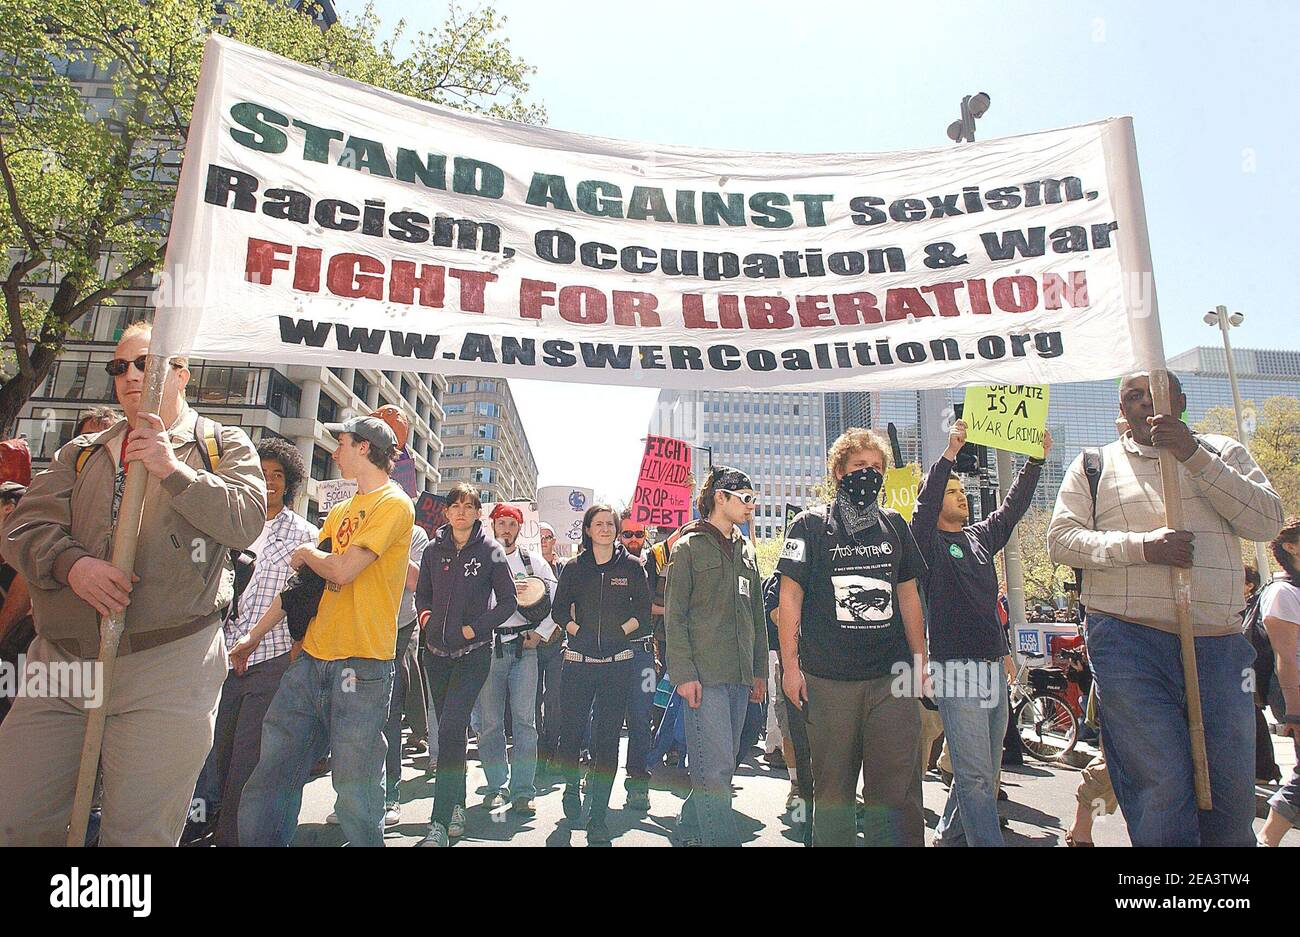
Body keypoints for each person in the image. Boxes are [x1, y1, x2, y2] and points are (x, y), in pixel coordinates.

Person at [0, 321, 267, 846]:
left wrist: (173, 469)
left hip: (167, 664)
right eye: (118, 367)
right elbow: (22, 529)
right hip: (62, 664)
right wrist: (72, 565)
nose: (129, 376)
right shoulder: (80, 451)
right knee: (18, 817)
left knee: (138, 835)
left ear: (181, 372)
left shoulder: (222, 444)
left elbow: (246, 520)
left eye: (144, 362)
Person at [1047, 371, 1284, 847]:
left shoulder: (1223, 452)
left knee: (1229, 784)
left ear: (1179, 400)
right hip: (1130, 642)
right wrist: (1141, 548)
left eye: (1152, 393)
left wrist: (1193, 456)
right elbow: (1061, 539)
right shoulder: (1095, 464)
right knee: (1158, 779)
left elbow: (1266, 521)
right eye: (1131, 396)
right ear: (1121, 409)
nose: (1142, 403)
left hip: (1217, 642)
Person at [236, 410, 413, 847]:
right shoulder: (340, 511)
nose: (334, 451)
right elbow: (303, 588)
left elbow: (344, 569)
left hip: (362, 665)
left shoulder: (394, 504)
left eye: (342, 443)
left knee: (354, 787)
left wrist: (307, 552)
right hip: (312, 659)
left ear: (364, 448)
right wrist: (254, 637)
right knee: (272, 772)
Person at [778, 429, 927, 847]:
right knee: (832, 795)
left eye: (877, 468)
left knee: (897, 794)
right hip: (829, 682)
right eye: (860, 467)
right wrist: (791, 668)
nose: (870, 475)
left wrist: (921, 662)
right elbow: (790, 596)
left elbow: (909, 595)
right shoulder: (809, 525)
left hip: (891, 681)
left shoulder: (895, 525)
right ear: (839, 471)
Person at [911, 419, 1052, 847]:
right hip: (956, 671)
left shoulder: (978, 538)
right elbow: (922, 507)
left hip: (993, 669)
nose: (961, 497)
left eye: (962, 491)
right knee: (973, 777)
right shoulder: (925, 542)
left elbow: (1010, 510)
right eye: (952, 493)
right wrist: (949, 455)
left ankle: (947, 835)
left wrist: (1035, 463)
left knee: (986, 772)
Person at [191, 438, 317, 847]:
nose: (268, 483)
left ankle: (232, 838)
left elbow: (302, 598)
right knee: (215, 756)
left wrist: (292, 649)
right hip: (218, 656)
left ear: (291, 482)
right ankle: (208, 825)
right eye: (261, 474)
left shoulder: (303, 533)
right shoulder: (225, 524)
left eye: (278, 476)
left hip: (271, 659)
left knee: (248, 760)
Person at [666, 467, 767, 847]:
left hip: (740, 676)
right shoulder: (687, 547)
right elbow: (674, 618)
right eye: (744, 497)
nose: (750, 506)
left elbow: (756, 616)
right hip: (704, 676)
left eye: (753, 499)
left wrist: (760, 673)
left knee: (719, 765)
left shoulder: (747, 550)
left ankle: (690, 828)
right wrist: (684, 674)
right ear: (719, 498)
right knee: (716, 767)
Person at [415, 483, 516, 847]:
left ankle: (439, 823)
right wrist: (427, 622)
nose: (460, 511)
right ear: (445, 513)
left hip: (474, 654)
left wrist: (475, 628)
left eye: (468, 506)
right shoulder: (431, 550)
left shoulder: (491, 551)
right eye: (454, 505)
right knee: (450, 731)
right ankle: (457, 802)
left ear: (477, 512)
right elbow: (421, 594)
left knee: (452, 727)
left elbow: (508, 602)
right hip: (435, 654)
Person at [551, 504, 651, 845]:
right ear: (588, 530)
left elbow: (644, 613)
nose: (606, 529)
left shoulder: (634, 568)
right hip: (577, 663)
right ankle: (570, 785)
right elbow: (558, 610)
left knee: (607, 742)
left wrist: (620, 632)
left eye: (611, 524)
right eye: (599, 524)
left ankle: (598, 818)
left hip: (617, 665)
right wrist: (576, 630)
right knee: (571, 735)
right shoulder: (573, 568)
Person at [475, 501, 556, 816]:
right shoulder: (481, 561)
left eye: (512, 524)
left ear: (520, 528)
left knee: (525, 722)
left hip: (525, 650)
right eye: (501, 523)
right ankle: (496, 787)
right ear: (492, 526)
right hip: (490, 648)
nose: (506, 529)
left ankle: (523, 791)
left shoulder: (534, 563)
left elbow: (557, 600)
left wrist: (541, 633)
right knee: (490, 723)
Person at [1259, 518, 1300, 846]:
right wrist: (1294, 714)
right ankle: (1267, 841)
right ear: (1291, 547)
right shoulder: (1282, 593)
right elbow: (1285, 658)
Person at [617, 509, 656, 811]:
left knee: (642, 719)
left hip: (643, 652)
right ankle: (597, 777)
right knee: (604, 716)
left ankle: (638, 782)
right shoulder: (607, 562)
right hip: (610, 652)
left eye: (638, 534)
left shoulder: (657, 562)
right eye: (627, 533)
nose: (633, 539)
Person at [535, 522, 566, 774]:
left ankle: (553, 748)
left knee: (555, 698)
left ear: (554, 540)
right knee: (531, 700)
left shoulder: (564, 567)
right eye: (539, 537)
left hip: (558, 643)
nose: (543, 541)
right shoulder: (527, 564)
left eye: (547, 537)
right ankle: (537, 751)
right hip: (530, 644)